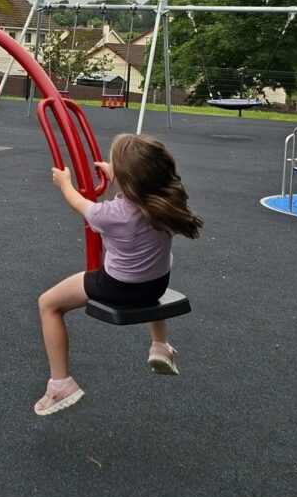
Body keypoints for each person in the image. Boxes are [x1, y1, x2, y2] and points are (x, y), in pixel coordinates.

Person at [34, 134, 203, 416]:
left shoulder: (111, 214)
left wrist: (64, 183)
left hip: (118, 287)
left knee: (48, 303)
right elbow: (141, 182)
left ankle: (60, 384)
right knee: (153, 273)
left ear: (126, 180)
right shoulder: (168, 204)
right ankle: (160, 345)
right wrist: (115, 172)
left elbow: (77, 202)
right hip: (156, 284)